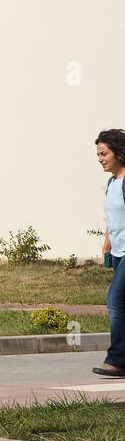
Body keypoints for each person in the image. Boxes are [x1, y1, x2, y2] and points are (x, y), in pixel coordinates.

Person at [92, 129, 125, 376]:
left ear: (119, 153)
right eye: (99, 155)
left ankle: (117, 360)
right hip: (118, 251)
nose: (101, 159)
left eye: (104, 153)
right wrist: (107, 241)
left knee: (115, 301)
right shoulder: (112, 182)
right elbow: (113, 217)